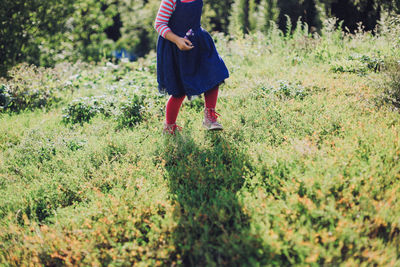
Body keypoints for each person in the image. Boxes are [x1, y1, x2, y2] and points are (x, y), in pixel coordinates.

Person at [154, 0, 230, 135]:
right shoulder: (170, 1)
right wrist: (177, 40)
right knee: (179, 90)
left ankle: (209, 117)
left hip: (198, 42)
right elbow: (159, 24)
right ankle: (169, 127)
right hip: (176, 47)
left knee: (214, 74)